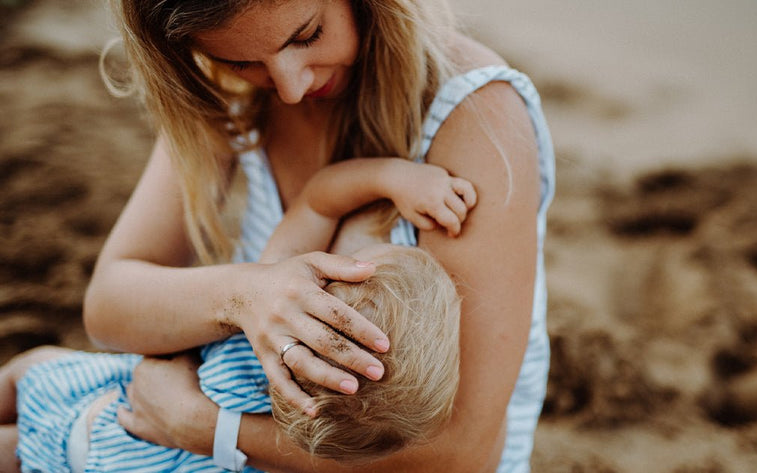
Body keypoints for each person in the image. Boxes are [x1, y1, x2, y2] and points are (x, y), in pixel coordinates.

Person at [78, 0, 555, 472]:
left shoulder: (476, 111)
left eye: (307, 35)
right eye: (242, 61)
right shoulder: (224, 86)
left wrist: (208, 427)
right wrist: (244, 295)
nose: (290, 87)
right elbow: (109, 307)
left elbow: (464, 453)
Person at [2, 157, 472, 471]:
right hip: (108, 459)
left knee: (28, 369)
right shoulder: (308, 429)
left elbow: (318, 199)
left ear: (330, 284)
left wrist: (393, 176)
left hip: (105, 407)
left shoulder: (283, 298)